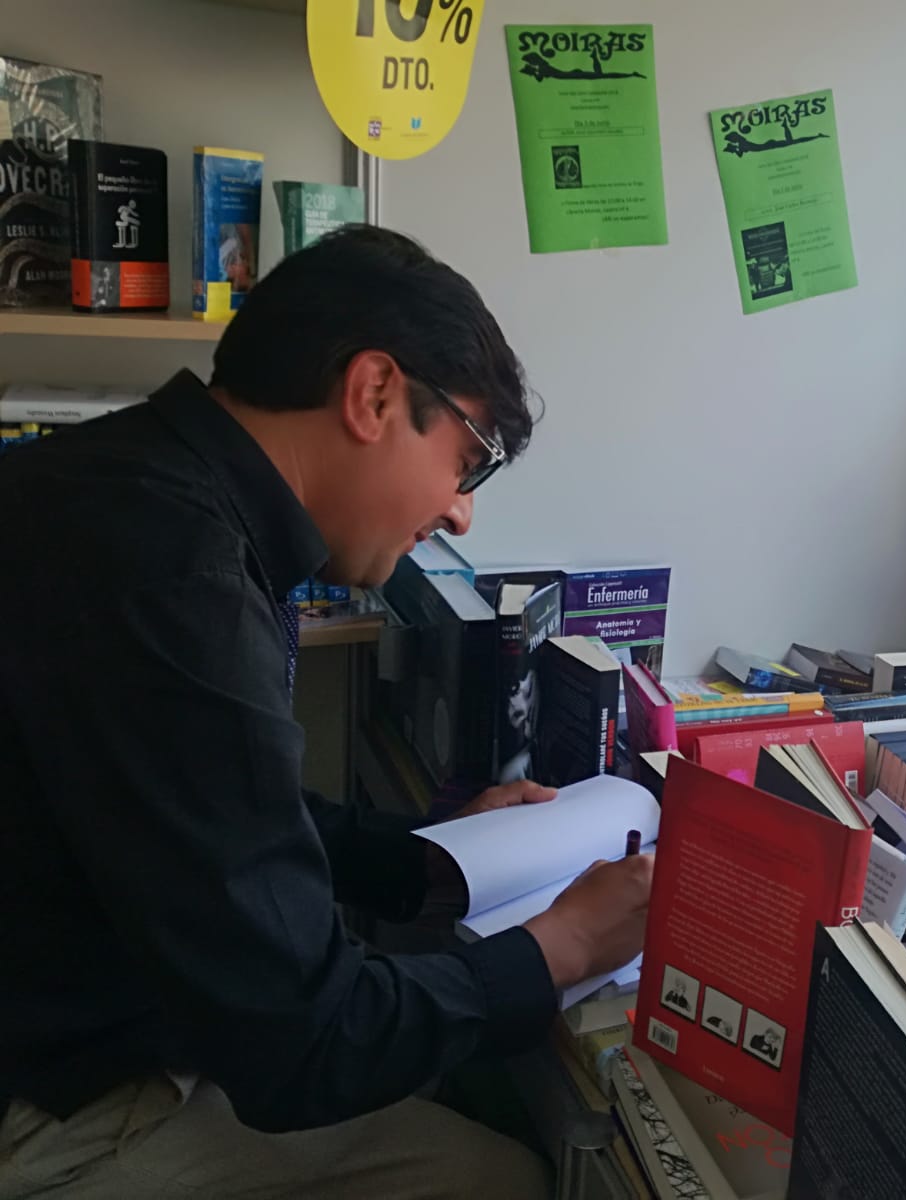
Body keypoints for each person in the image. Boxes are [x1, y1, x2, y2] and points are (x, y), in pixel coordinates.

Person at [0, 227, 654, 1197]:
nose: (461, 511)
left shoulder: (124, 485)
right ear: (374, 394)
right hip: (52, 1105)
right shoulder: (183, 583)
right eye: (466, 459)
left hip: (76, 1015)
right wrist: (561, 948)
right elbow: (299, 1045)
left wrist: (417, 858)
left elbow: (191, 804)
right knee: (502, 1180)